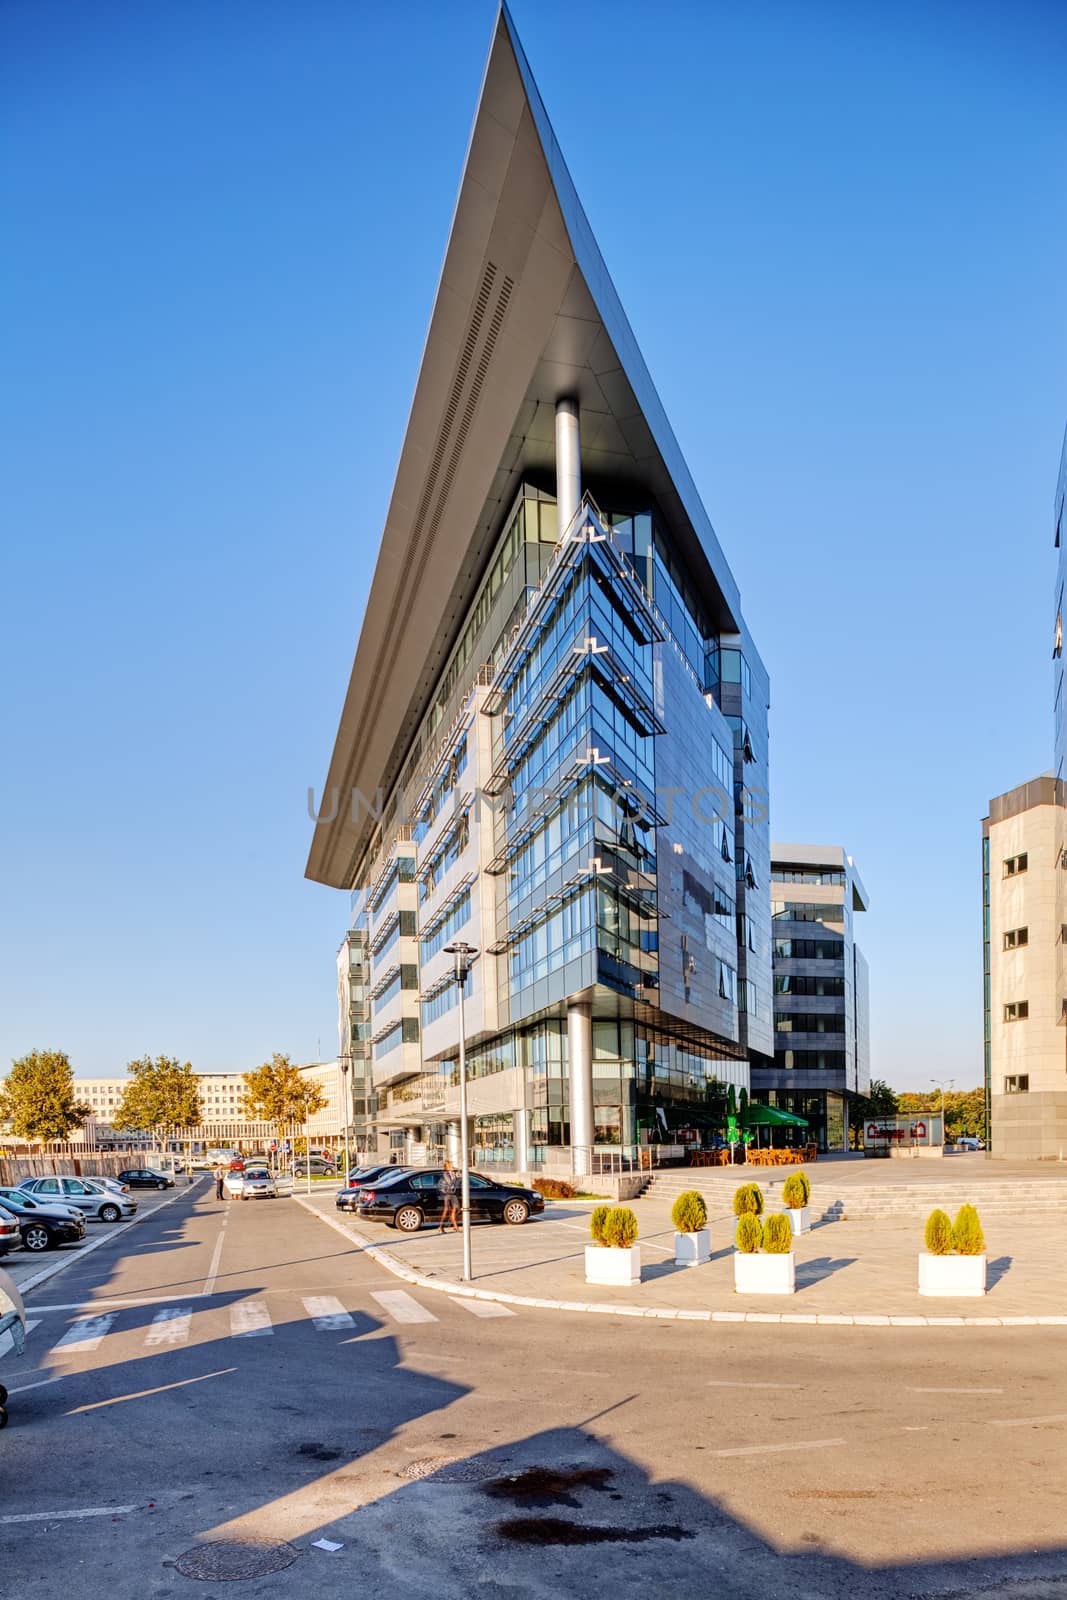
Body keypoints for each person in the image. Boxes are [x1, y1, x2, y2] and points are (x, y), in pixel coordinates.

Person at [438, 1160, 460, 1234]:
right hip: (447, 1193)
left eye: (452, 1165)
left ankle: (454, 1225)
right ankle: (441, 1227)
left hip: (453, 1193)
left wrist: (457, 1175)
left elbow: (455, 1183)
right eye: (450, 1166)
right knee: (446, 1210)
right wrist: (456, 1176)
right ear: (447, 1167)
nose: (452, 1167)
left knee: (456, 1209)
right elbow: (450, 1182)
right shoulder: (445, 1173)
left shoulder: (452, 1173)